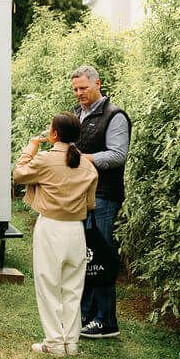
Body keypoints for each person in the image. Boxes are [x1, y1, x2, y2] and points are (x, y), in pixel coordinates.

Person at [13, 113, 98, 356]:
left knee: (48, 285)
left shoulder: (44, 159)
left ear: (55, 134)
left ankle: (54, 342)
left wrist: (30, 148)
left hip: (51, 227)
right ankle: (71, 342)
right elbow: (90, 203)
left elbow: (19, 174)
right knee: (73, 288)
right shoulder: (87, 165)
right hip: (76, 229)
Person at [71, 65, 131, 339]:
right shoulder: (77, 114)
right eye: (75, 89)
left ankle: (106, 320)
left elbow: (117, 155)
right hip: (81, 195)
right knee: (85, 256)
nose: (79, 93)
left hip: (104, 196)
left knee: (101, 257)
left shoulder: (115, 116)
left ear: (98, 84)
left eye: (83, 88)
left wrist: (84, 158)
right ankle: (87, 314)